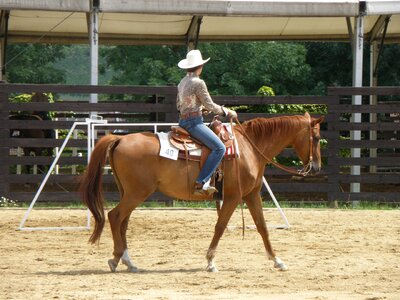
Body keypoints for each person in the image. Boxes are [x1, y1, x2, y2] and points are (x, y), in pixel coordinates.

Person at [177, 49, 237, 196]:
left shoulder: (182, 82)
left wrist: (199, 108)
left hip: (183, 121)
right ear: (200, 66)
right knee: (219, 148)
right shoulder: (198, 82)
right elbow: (211, 105)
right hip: (194, 123)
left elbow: (179, 106)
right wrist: (227, 112)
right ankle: (201, 182)